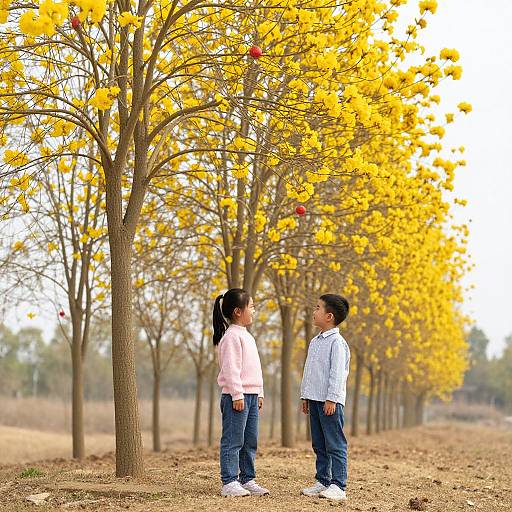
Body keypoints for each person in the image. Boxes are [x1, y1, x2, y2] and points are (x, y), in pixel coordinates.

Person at [213, 288, 269, 497]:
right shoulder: (231, 337)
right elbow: (231, 369)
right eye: (251, 307)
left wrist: (260, 392)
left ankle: (247, 479)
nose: (254, 310)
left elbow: (255, 368)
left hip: (252, 396)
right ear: (238, 311)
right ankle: (229, 481)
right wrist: (237, 394)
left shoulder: (247, 336)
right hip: (237, 397)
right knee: (233, 440)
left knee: (249, 440)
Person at [300, 293, 351, 501]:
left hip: (330, 402)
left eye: (317, 308)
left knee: (335, 444)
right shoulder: (315, 341)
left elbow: (337, 374)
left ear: (329, 316)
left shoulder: (337, 343)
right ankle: (322, 481)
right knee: (319, 444)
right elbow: (309, 371)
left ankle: (338, 485)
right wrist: (305, 396)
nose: (314, 311)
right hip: (314, 399)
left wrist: (332, 398)